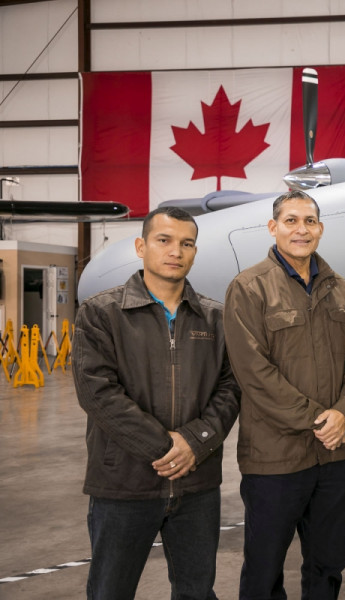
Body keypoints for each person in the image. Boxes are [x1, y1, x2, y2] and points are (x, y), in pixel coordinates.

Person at [73, 206, 241, 600]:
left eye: (186, 244)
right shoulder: (101, 313)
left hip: (196, 486)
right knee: (110, 591)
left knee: (197, 592)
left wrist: (195, 442)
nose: (175, 252)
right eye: (164, 240)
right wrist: (168, 448)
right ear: (141, 246)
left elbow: (231, 387)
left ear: (195, 252)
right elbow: (97, 393)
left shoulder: (215, 319)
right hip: (123, 486)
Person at [224, 189, 345, 599]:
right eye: (291, 221)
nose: (301, 229)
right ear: (273, 227)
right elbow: (253, 373)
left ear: (319, 229)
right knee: (264, 570)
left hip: (336, 458)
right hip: (275, 460)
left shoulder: (340, 288)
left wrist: (344, 413)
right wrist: (321, 420)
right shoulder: (249, 288)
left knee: (329, 565)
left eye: (309, 221)